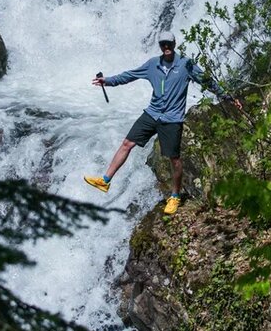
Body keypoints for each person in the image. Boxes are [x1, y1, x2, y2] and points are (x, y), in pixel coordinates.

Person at [83, 30, 241, 215]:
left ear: (174, 44)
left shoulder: (186, 65)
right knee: (127, 144)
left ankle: (175, 196)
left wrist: (228, 97)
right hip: (152, 113)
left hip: (172, 118)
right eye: (162, 44)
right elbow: (130, 75)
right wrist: (108, 81)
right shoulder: (153, 64)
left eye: (169, 44)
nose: (166, 47)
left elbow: (208, 82)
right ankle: (105, 181)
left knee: (174, 159)